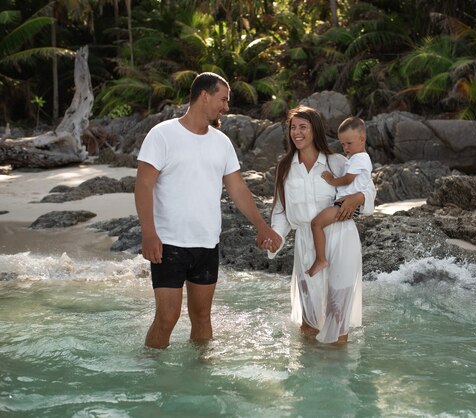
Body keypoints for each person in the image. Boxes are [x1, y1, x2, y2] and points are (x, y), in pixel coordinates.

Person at [135, 72, 281, 349]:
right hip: (169, 244)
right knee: (167, 318)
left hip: (207, 244)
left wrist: (262, 226)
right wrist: (148, 233)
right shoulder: (162, 135)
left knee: (202, 317)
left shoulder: (222, 142)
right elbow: (143, 185)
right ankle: (150, 376)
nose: (226, 106)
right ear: (204, 95)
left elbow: (238, 189)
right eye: (223, 99)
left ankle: (202, 383)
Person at [263, 105, 376, 344]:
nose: (297, 132)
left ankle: (337, 377)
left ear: (315, 130)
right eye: (293, 127)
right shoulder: (285, 167)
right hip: (307, 240)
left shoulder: (336, 162)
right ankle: (309, 376)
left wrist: (359, 198)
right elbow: (281, 211)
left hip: (341, 236)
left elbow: (367, 185)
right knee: (309, 320)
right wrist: (276, 238)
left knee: (337, 314)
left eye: (303, 127)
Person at [305, 116, 373, 277]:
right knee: (317, 224)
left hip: (344, 207)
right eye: (343, 144)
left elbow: (351, 180)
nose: (345, 148)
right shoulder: (353, 158)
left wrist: (331, 180)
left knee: (316, 224)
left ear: (362, 139)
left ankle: (321, 259)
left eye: (349, 143)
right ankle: (321, 259)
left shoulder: (359, 158)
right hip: (342, 206)